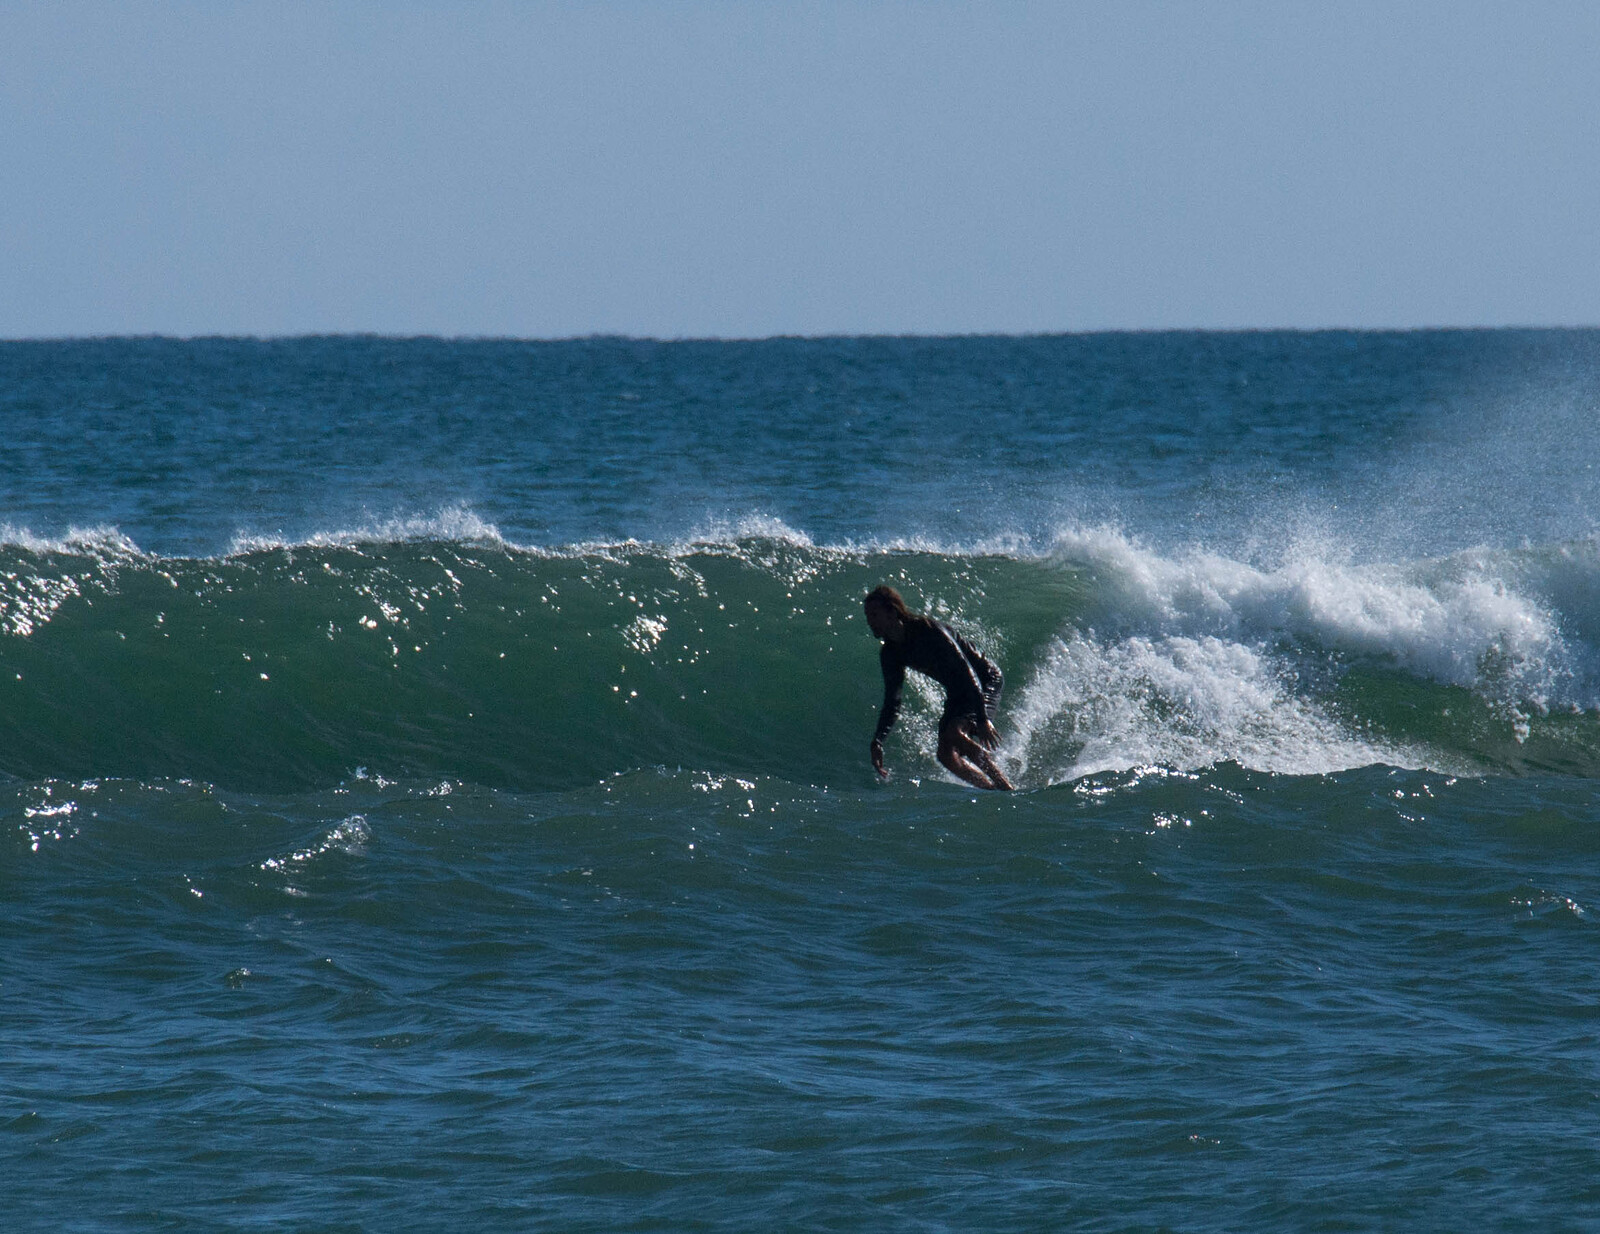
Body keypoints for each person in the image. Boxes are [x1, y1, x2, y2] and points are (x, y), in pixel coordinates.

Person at [864, 585, 1014, 791]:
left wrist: (982, 719)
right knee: (945, 755)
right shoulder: (890, 653)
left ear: (892, 612)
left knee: (954, 732)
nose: (870, 621)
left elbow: (967, 671)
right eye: (867, 616)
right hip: (958, 689)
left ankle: (1005, 787)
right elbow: (893, 700)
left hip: (984, 679)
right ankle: (990, 790)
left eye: (874, 614)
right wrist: (878, 741)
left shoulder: (928, 630)